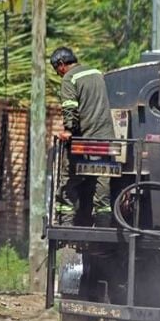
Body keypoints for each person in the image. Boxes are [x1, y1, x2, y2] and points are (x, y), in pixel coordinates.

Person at [50, 46, 115, 228]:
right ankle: (103, 222)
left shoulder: (70, 78)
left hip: (84, 139)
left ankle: (66, 223)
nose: (58, 74)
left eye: (57, 70)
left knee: (68, 179)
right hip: (105, 137)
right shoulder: (96, 73)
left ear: (62, 64)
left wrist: (69, 131)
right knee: (102, 177)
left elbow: (70, 107)